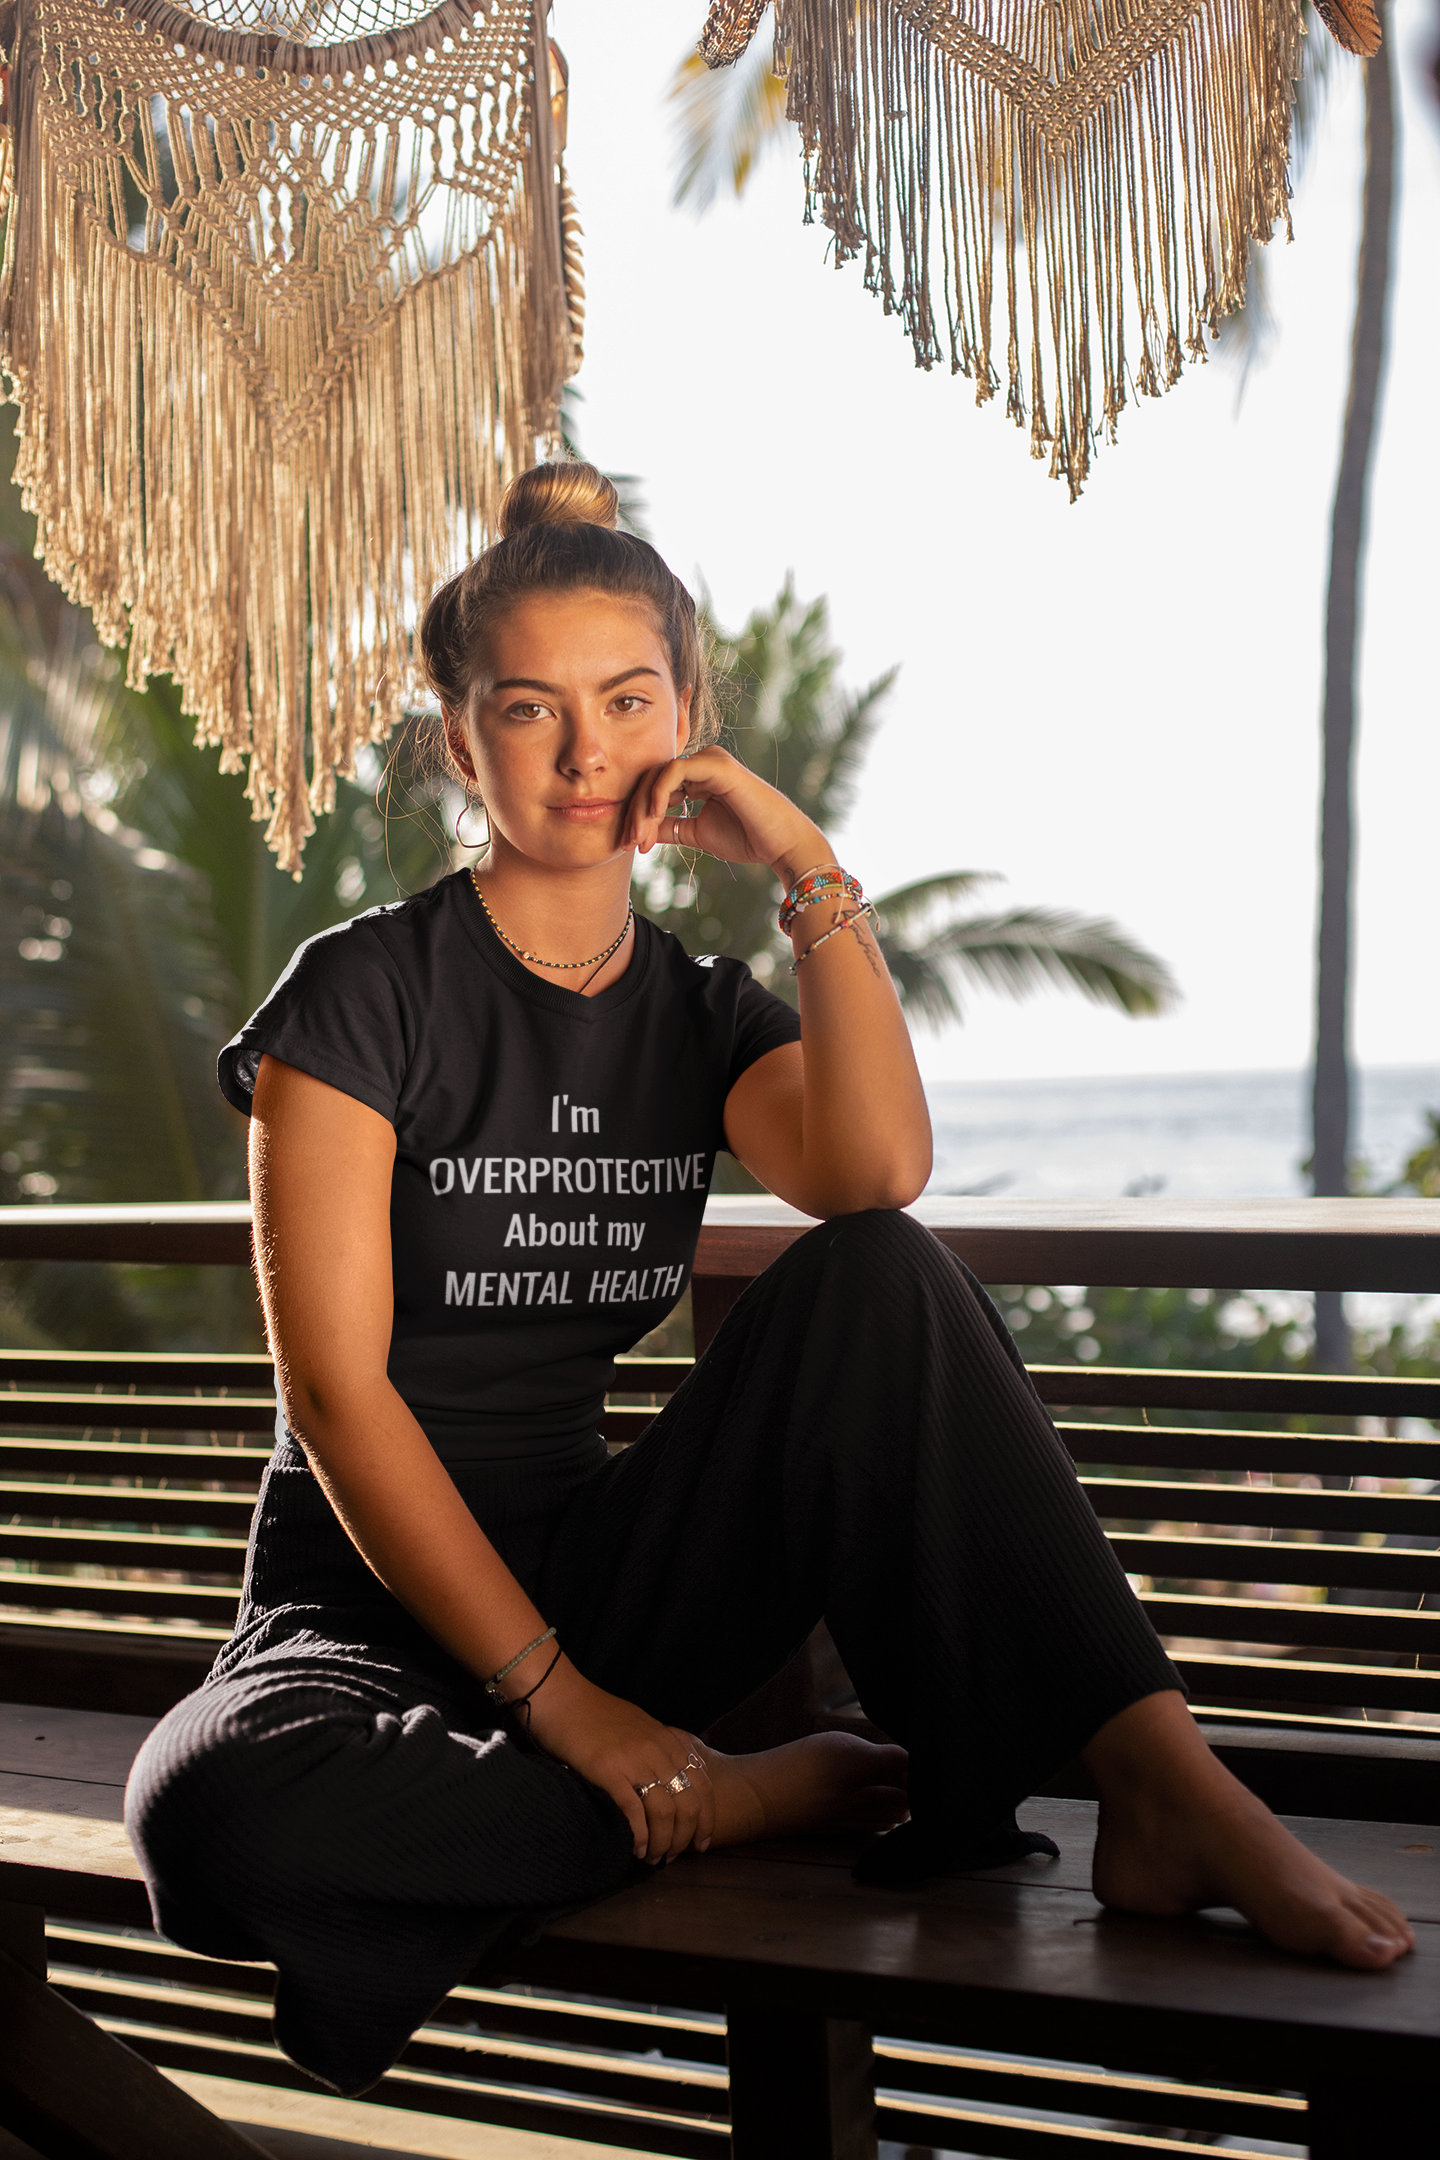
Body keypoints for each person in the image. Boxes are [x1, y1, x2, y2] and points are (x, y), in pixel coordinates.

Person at [126, 463, 1414, 2098]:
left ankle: (1168, 1783)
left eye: (627, 699)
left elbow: (872, 1174)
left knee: (877, 1275)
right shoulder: (362, 995)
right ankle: (729, 1797)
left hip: (607, 1571)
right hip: (361, 1614)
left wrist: (804, 864)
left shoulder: (698, 1005)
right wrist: (577, 1717)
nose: (586, 752)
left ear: (686, 717)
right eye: (530, 710)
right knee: (215, 1820)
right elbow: (335, 1394)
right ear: (463, 744)